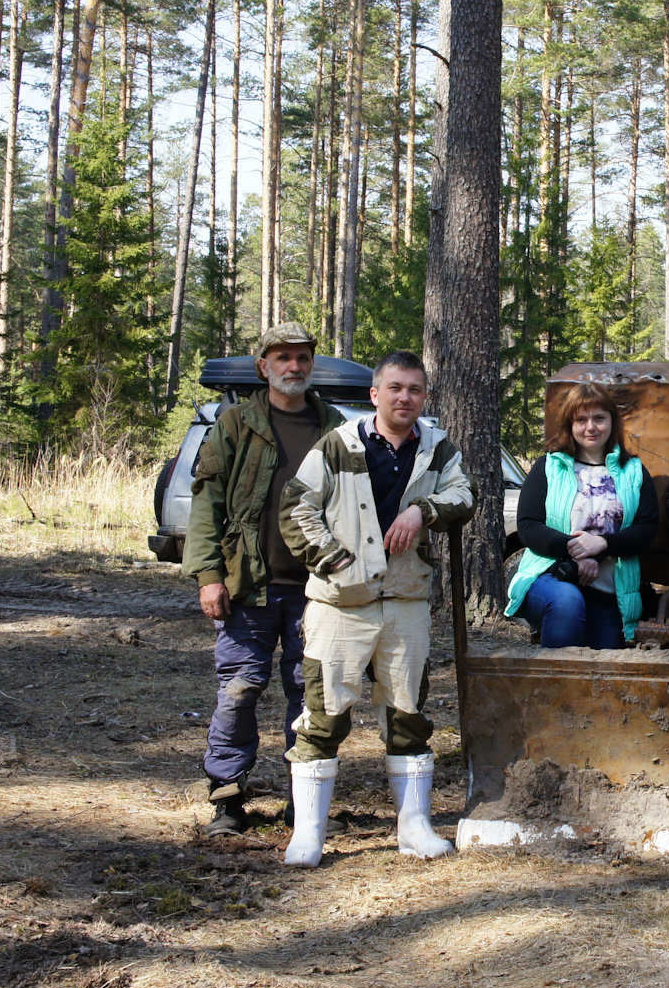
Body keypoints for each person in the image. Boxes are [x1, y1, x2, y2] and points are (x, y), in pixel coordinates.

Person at [277, 350, 475, 867]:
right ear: (375, 394)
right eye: (395, 388)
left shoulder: (437, 448)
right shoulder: (338, 445)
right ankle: (308, 834)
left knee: (408, 712)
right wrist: (336, 561)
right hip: (340, 603)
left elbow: (466, 495)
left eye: (414, 389)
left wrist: (421, 509)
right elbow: (296, 508)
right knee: (323, 714)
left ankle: (415, 827)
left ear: (424, 397)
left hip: (406, 599)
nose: (404, 397)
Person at [183, 324, 346, 838]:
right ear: (264, 366)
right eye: (283, 358)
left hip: (317, 588)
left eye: (302, 358)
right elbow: (207, 504)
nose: (294, 366)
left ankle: (306, 797)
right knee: (239, 687)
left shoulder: (334, 427)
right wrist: (209, 576)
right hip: (247, 584)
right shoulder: (235, 425)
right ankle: (228, 797)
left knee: (310, 693)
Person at [504, 383, 662, 648]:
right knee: (567, 602)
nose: (591, 427)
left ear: (612, 421)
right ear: (570, 424)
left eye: (599, 418)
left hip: (610, 592)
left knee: (603, 669)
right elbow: (528, 525)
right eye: (581, 419)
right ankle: (554, 683)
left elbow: (646, 528)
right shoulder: (549, 466)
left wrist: (602, 546)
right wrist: (575, 552)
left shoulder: (633, 471)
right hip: (551, 578)